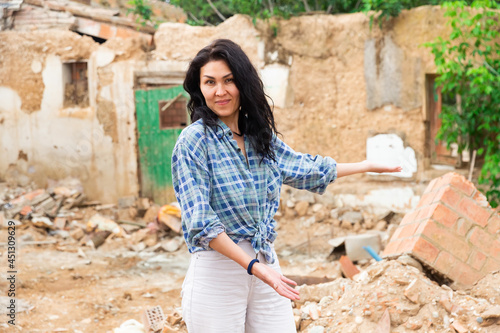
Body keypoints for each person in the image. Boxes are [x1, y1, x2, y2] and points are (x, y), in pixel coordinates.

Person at [171, 39, 402, 333]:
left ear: (242, 82)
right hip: (219, 270)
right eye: (210, 82)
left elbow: (306, 169)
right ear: (199, 89)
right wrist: (256, 268)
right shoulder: (194, 141)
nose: (220, 91)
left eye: (229, 80)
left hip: (265, 261)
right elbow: (201, 223)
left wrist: (365, 165)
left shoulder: (258, 137)